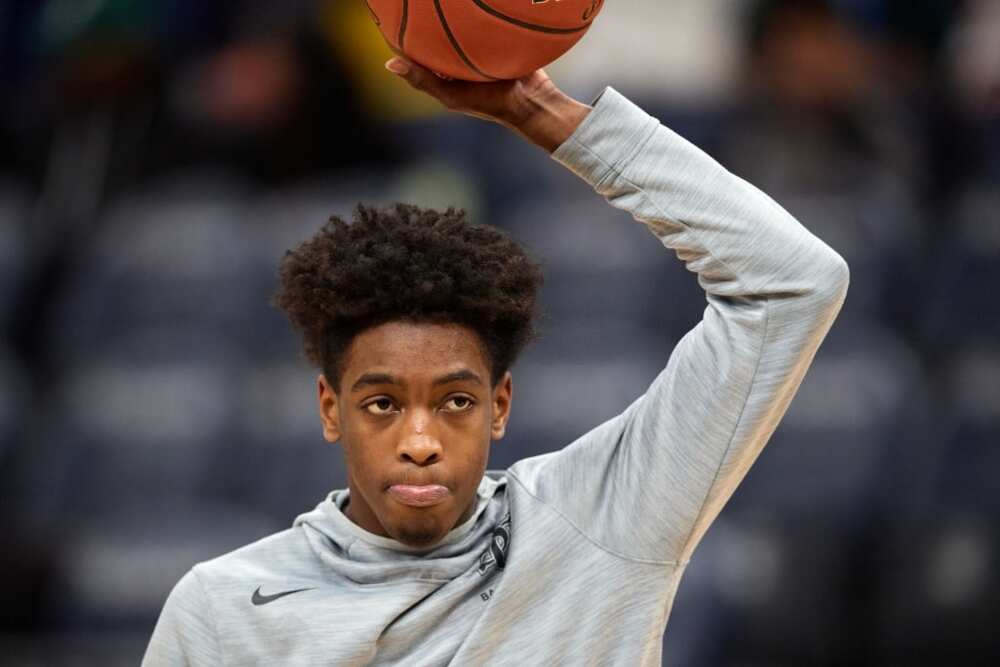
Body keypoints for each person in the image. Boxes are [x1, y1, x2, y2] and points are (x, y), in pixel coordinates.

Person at [142, 55, 849, 665]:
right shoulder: (223, 608)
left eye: (454, 401)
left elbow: (792, 280)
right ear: (331, 408)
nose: (420, 443)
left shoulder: (602, 521)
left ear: (500, 404)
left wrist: (538, 111)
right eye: (383, 403)